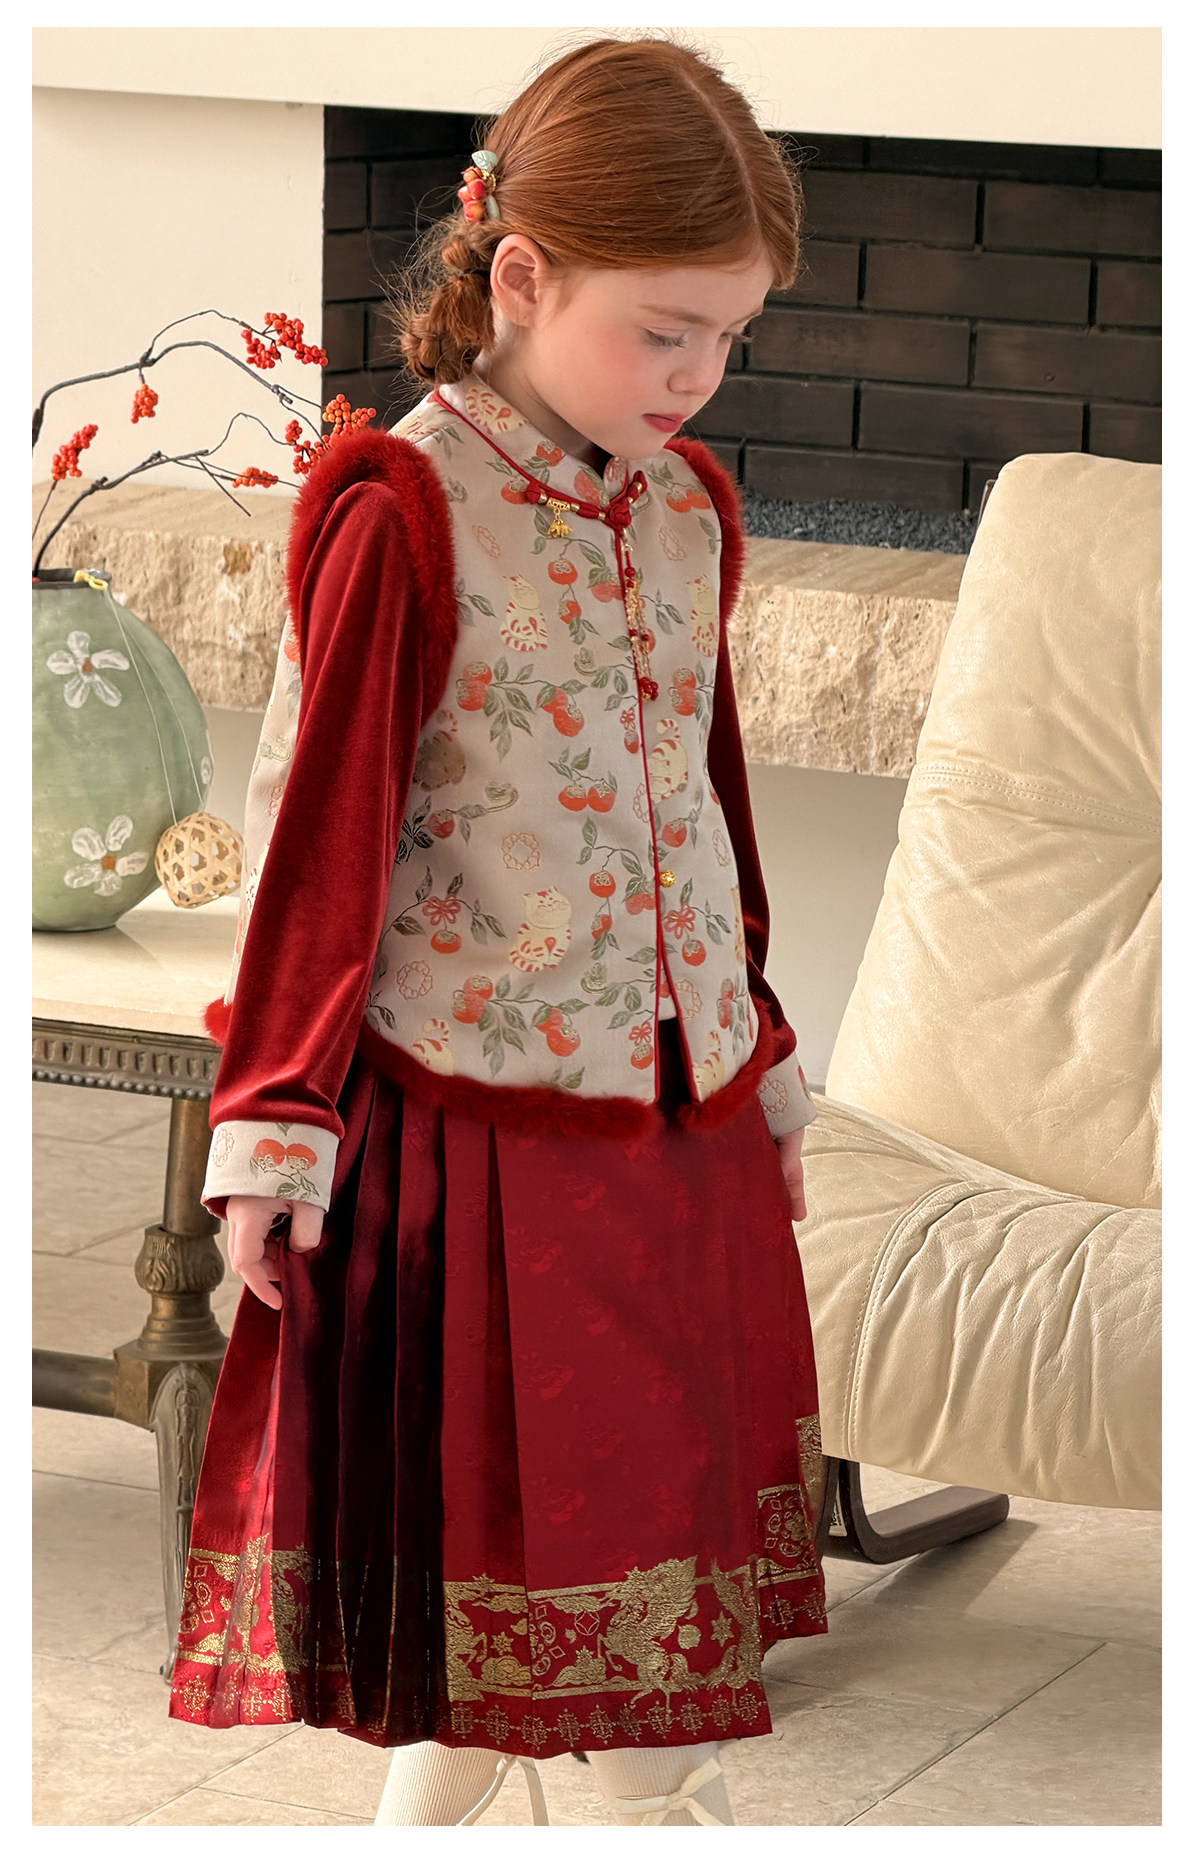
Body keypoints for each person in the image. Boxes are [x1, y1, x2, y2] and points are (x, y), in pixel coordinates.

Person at [167, 32, 829, 1827]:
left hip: (680, 1123)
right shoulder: (401, 511)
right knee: (550, 1588)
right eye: (664, 330)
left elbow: (706, 805)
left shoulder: (687, 510)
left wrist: (759, 1057)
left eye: (728, 338)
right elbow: (319, 846)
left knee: (584, 1591)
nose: (698, 376)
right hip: (484, 1135)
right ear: (520, 277)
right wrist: (272, 1128)